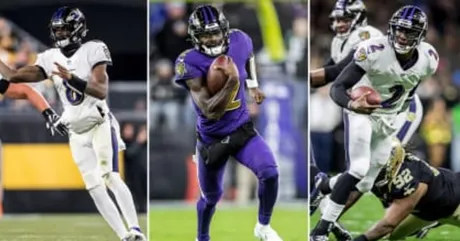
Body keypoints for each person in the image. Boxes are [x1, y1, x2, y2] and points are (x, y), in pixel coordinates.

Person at [0, 7, 145, 241]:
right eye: (56, 30)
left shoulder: (94, 49)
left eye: (64, 29)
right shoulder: (50, 58)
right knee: (94, 186)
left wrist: (71, 78)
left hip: (99, 123)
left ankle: (136, 230)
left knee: (110, 176)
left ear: (77, 28)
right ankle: (124, 236)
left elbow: (101, 90)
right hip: (76, 131)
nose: (60, 34)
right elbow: (14, 77)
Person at [310, 5, 438, 241]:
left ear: (420, 36)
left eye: (408, 32)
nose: (401, 36)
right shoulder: (374, 50)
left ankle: (324, 185)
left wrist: (399, 114)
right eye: (398, 30)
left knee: (367, 182)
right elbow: (338, 86)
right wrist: (352, 105)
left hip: (390, 117)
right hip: (362, 112)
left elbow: (411, 88)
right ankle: (320, 231)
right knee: (358, 168)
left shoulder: (429, 59)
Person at [173, 5, 282, 241]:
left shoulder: (240, 40)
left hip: (241, 128)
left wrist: (252, 85)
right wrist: (232, 83)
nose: (212, 39)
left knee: (270, 173)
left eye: (215, 33)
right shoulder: (188, 61)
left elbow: (249, 55)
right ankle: (202, 237)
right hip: (212, 139)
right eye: (205, 35)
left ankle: (263, 227)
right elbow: (209, 110)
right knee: (211, 197)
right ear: (195, 37)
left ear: (225, 30)